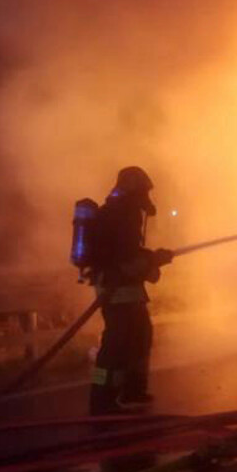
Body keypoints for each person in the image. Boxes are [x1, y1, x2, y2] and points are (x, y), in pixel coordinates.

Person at [88, 166, 174, 415]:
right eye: (144, 191)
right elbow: (126, 259)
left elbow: (130, 254)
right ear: (134, 189)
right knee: (116, 345)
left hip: (127, 290)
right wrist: (155, 259)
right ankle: (102, 398)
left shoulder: (121, 212)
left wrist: (151, 259)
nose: (146, 197)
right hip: (117, 290)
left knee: (140, 337)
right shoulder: (122, 215)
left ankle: (133, 390)